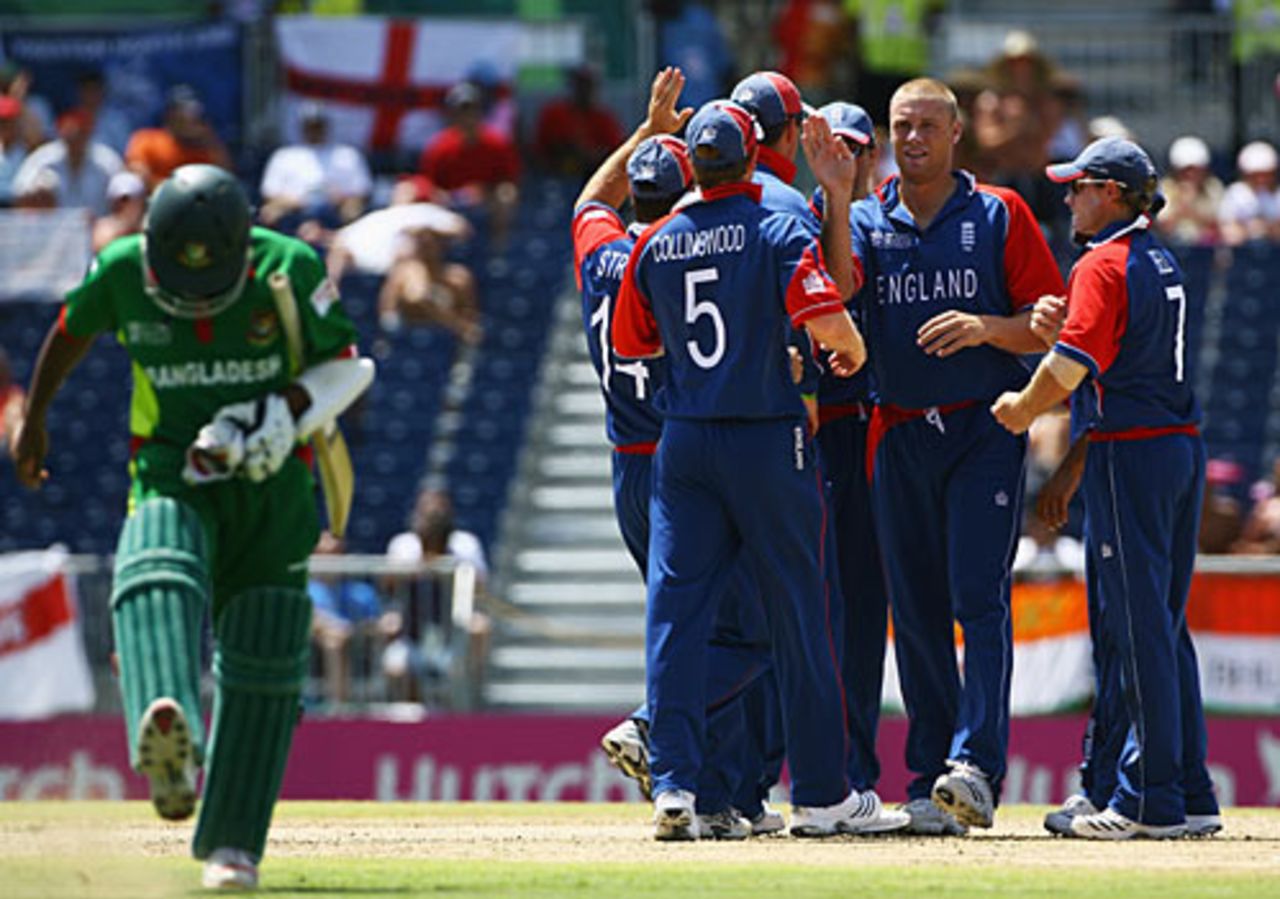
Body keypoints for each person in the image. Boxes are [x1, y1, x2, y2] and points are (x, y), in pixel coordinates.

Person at [9, 164, 375, 888]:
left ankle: (233, 846)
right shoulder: (121, 270)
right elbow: (67, 332)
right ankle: (166, 732)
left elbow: (348, 369)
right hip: (173, 460)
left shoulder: (289, 267)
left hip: (273, 478)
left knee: (267, 645)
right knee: (155, 563)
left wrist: (283, 411)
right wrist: (36, 418)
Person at [613, 98, 908, 840]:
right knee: (800, 615)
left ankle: (674, 787)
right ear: (752, 157)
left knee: (677, 618)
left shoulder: (657, 238)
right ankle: (820, 794)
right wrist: (853, 351)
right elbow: (832, 323)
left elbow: (637, 342)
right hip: (767, 437)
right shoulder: (777, 224)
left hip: (683, 443)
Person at [846, 77, 1066, 833]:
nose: (913, 139)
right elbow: (835, 296)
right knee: (915, 614)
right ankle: (928, 774)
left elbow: (1046, 329)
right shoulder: (866, 219)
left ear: (955, 134)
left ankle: (975, 766)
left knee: (979, 596)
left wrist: (982, 328)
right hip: (898, 430)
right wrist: (835, 196)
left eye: (927, 127)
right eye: (901, 126)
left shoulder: (999, 212)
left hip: (980, 430)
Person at [991, 136, 1221, 839]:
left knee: (1134, 624)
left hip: (1133, 455)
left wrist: (1021, 411)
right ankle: (1186, 787)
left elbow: (1069, 365)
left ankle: (1145, 796)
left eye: (1080, 186)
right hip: (1175, 447)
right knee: (1160, 621)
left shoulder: (1106, 262)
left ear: (1113, 193)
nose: (1068, 198)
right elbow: (1115, 357)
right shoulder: (1160, 256)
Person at [806, 100, 900, 821]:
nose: (843, 158)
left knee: (864, 609)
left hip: (871, 430)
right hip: (817, 430)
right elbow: (840, 290)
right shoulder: (803, 215)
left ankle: (854, 769)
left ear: (872, 154)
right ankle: (818, 773)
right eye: (830, 146)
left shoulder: (877, 217)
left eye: (855, 148)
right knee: (824, 607)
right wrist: (835, 199)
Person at [417, 81, 520, 247]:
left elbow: (509, 181)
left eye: (471, 110)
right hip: (450, 201)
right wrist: (451, 196)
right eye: (461, 111)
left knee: (505, 196)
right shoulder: (439, 146)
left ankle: (499, 250)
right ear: (452, 115)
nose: (467, 116)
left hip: (484, 200)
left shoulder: (497, 143)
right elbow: (429, 184)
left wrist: (482, 192)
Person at [258, 102, 372, 232]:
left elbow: (362, 191)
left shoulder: (347, 154)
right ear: (302, 126)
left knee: (354, 210)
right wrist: (298, 201)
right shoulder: (284, 155)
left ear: (326, 126)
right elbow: (269, 193)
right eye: (310, 126)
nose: (314, 130)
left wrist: (339, 198)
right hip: (293, 210)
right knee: (269, 212)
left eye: (318, 125)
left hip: (335, 209)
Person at [13, 109, 123, 216]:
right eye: (70, 133)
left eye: (80, 132)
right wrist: (38, 195)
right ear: (61, 133)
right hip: (53, 229)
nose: (75, 137)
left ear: (88, 133)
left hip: (98, 229)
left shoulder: (107, 161)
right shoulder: (43, 159)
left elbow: (124, 196)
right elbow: (19, 193)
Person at [125, 85, 231, 190]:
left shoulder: (207, 148)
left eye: (194, 113)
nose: (189, 118)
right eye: (182, 112)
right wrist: (178, 191)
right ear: (170, 114)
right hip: (156, 202)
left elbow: (225, 181)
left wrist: (210, 140)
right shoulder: (147, 139)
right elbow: (137, 175)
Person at [534, 64, 625, 178]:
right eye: (580, 85)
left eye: (589, 85)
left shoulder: (603, 117)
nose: (585, 90)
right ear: (573, 86)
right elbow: (546, 149)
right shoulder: (555, 113)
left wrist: (589, 154)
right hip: (556, 176)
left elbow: (615, 151)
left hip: (593, 176)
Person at [1156, 135, 1223, 247]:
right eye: (1186, 171)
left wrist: (1193, 210)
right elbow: (1163, 226)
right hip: (1173, 247)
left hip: (1206, 249)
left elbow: (1220, 225)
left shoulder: (1213, 187)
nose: (1191, 175)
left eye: (1196, 170)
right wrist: (1181, 204)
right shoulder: (1165, 188)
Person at [1218, 140, 1280, 246]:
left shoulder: (1277, 195)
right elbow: (1227, 232)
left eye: (1266, 174)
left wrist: (1266, 228)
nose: (1261, 180)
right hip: (1242, 255)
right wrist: (1250, 230)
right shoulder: (1235, 194)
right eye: (1256, 175)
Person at [92, 171, 147, 253]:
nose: (122, 205)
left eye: (127, 200)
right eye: (118, 200)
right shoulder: (105, 228)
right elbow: (101, 245)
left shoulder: (149, 225)